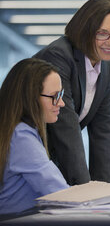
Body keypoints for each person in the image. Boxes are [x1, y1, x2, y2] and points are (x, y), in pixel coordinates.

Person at [33, 0, 110, 185]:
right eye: (102, 33)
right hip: (28, 151)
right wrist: (86, 191)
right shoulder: (60, 55)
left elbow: (104, 126)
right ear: (85, 31)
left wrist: (103, 191)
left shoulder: (108, 63)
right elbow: (66, 126)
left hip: (54, 155)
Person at [0, 58, 69, 214]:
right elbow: (59, 193)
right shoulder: (21, 136)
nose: (61, 103)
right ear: (30, 98)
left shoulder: (16, 130)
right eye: (55, 96)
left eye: (61, 94)